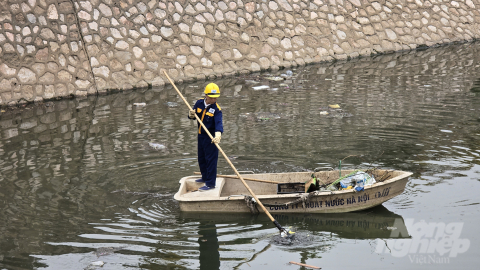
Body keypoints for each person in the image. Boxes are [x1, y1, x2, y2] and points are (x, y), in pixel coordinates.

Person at [188, 83, 223, 191]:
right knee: (201, 158)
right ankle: (204, 177)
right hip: (201, 136)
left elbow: (219, 124)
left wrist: (218, 136)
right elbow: (193, 116)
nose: (214, 99)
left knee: (211, 160)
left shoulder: (217, 109)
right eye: (212, 97)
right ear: (206, 95)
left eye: (216, 97)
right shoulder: (199, 103)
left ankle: (210, 183)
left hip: (211, 138)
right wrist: (191, 115)